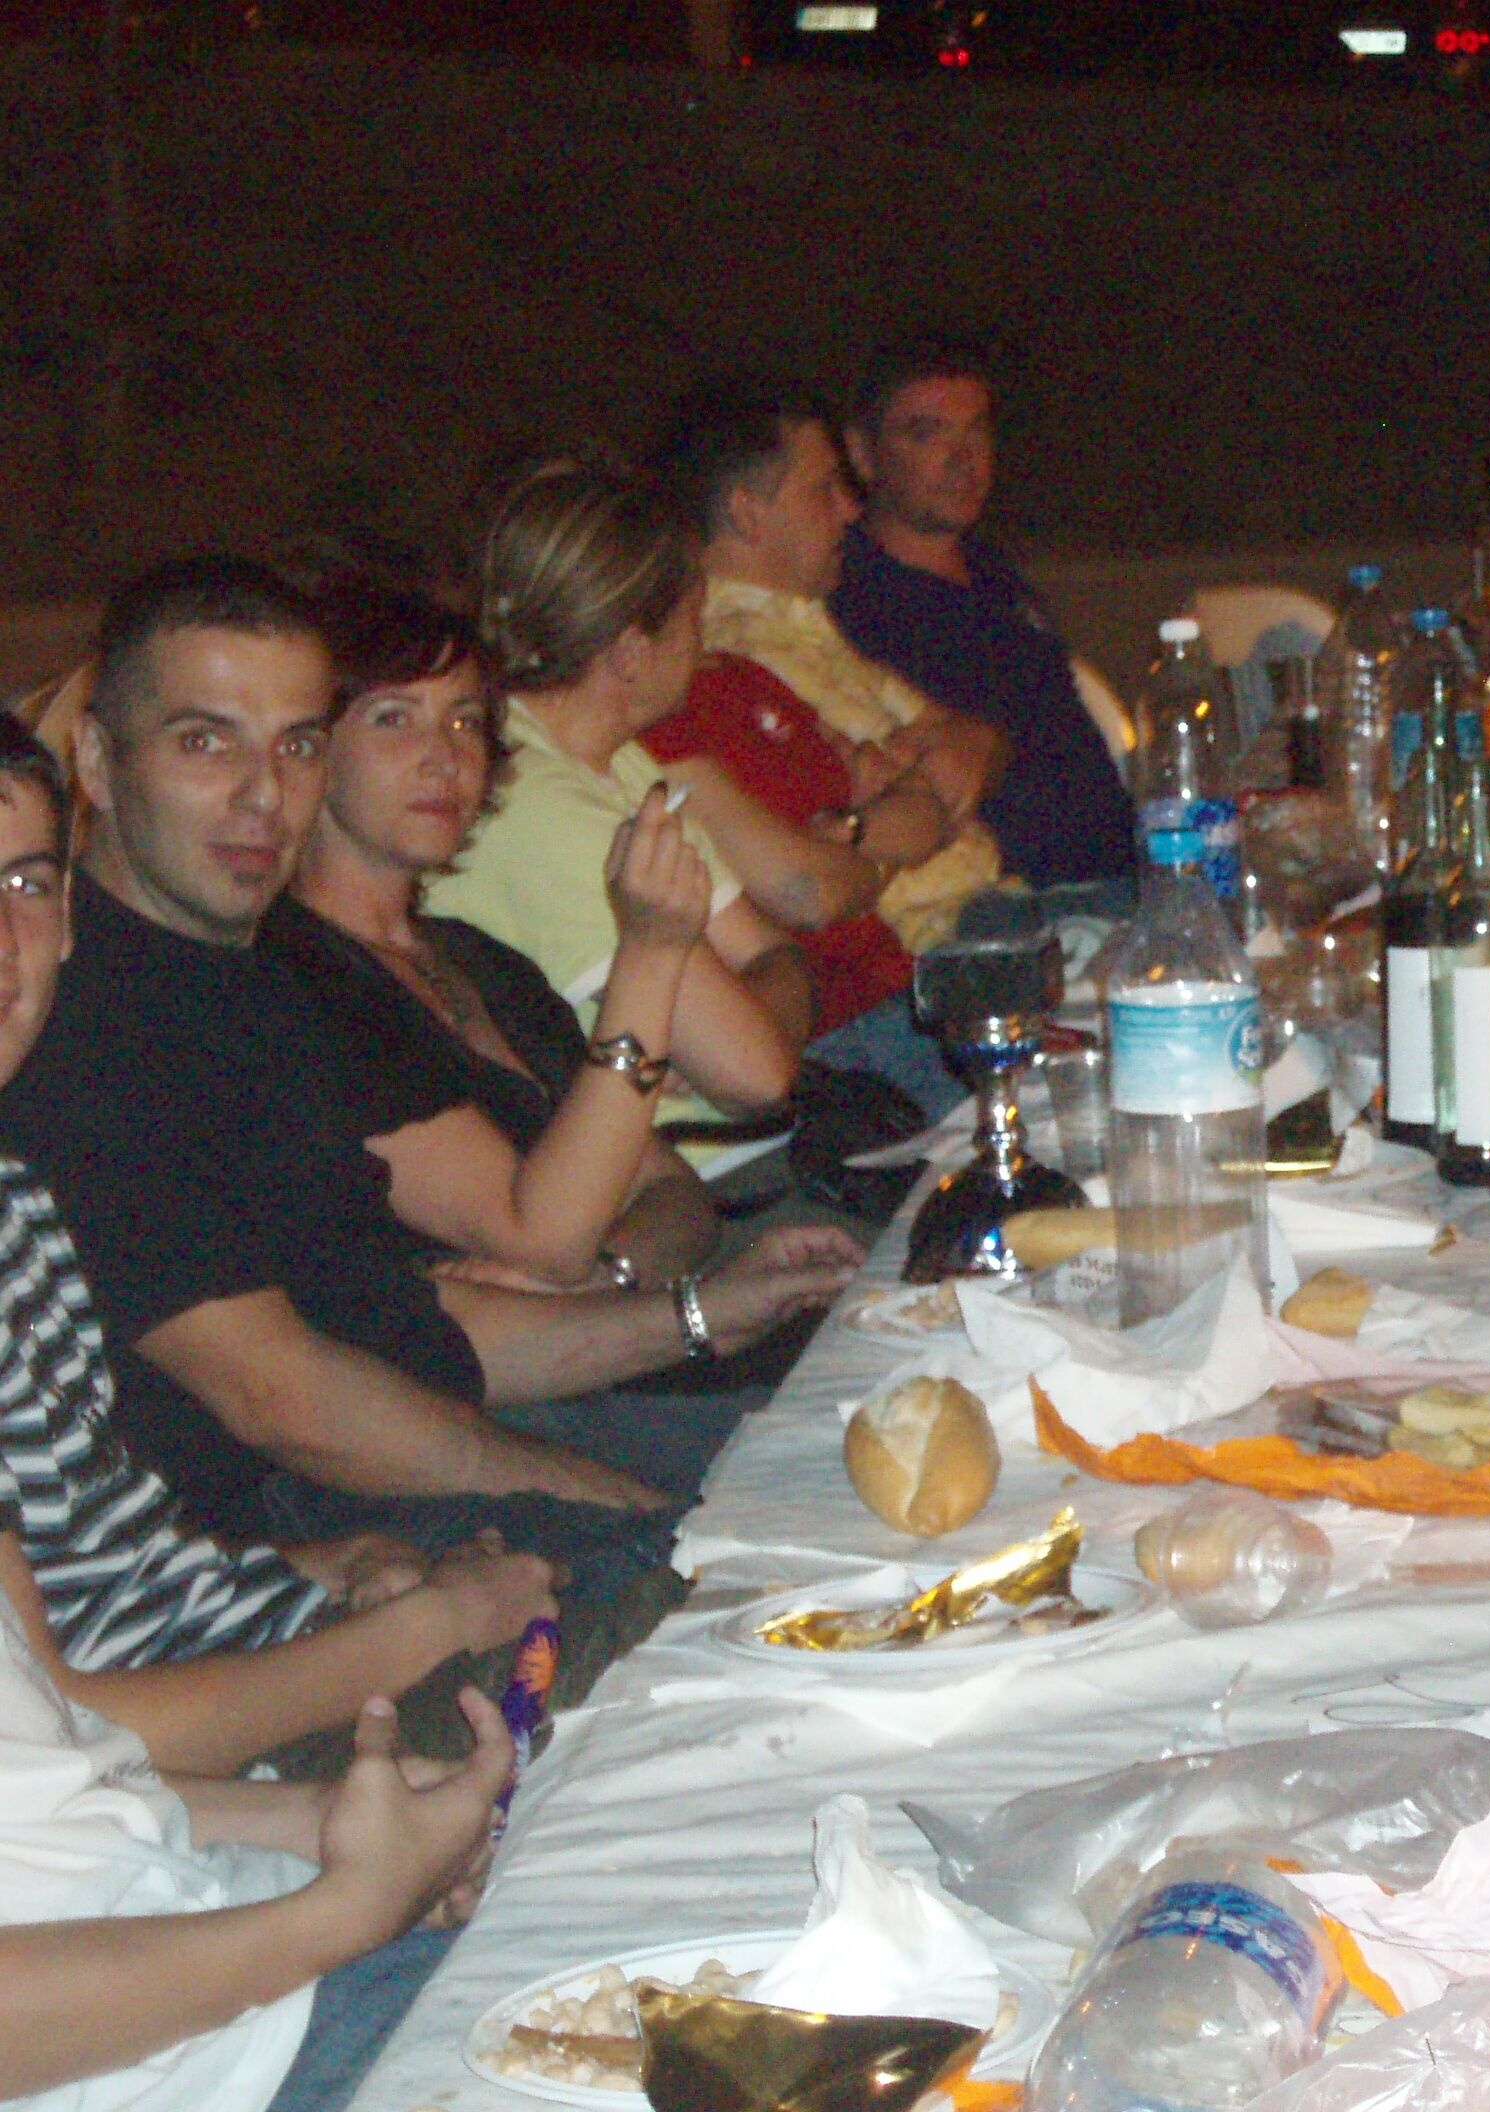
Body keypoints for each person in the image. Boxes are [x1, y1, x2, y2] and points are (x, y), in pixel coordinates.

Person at [0, 557, 858, 1639]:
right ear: (96, 760)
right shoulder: (75, 1028)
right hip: (279, 1551)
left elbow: (420, 1333)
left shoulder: (262, 981)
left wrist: (704, 1315)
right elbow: (288, 1401)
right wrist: (632, 1509)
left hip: (407, 1467)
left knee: (858, 1453)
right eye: (206, 743)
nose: (264, 795)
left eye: (297, 745)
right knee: (804, 1567)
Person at [0, 709, 559, 1780]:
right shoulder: (85, 1091)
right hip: (211, 1757)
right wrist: (429, 1626)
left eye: (25, 883)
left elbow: (108, 1569)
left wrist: (330, 1569)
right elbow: (48, 1752)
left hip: (260, 1643)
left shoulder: (17, 1193)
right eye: (204, 741)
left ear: (66, 918)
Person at [268, 571, 721, 1290]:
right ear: (309, 749)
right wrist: (650, 956)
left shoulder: (477, 959)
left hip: (616, 1328)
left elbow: (675, 1194)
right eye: (393, 719)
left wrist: (606, 1280)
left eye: (465, 722)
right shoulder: (290, 979)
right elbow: (541, 1239)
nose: (443, 757)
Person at [422, 457, 810, 1172]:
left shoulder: (611, 759)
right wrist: (753, 1022)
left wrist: (751, 1015)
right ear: (632, 652)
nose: (704, 642)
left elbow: (772, 954)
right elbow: (758, 1078)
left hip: (758, 1151)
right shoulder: (539, 812)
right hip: (697, 1186)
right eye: (693, 619)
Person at [0, 1600, 510, 2112]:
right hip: (193, 2074)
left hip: (256, 1945)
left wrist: (326, 1821)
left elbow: (48, 1783)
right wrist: (351, 1910)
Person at [646, 382, 1001, 1115]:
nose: (850, 509)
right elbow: (813, 887)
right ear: (746, 511)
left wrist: (885, 810)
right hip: (915, 974)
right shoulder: (701, 680)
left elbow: (969, 749)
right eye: (825, 488)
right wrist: (878, 819)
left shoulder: (783, 646)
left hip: (936, 953)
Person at [829, 335, 1139, 895]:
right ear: (863, 453)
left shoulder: (992, 574)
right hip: (1002, 904)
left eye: (976, 432)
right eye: (928, 434)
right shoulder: (852, 599)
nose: (963, 461)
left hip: (1113, 876)